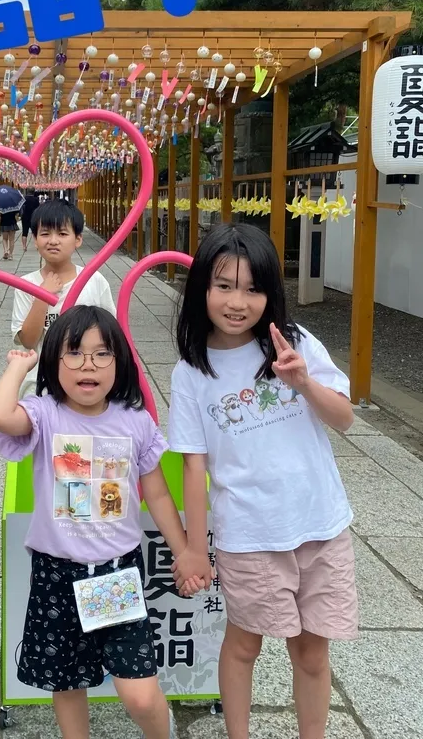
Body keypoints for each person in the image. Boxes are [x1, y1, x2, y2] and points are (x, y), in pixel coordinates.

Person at [167, 223, 357, 739]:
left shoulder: (293, 343)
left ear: (271, 293)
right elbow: (194, 465)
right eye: (224, 285)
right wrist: (192, 548)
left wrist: (303, 382)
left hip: (320, 523)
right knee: (244, 644)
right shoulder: (191, 373)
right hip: (249, 534)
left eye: (254, 288)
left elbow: (344, 419)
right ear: (202, 288)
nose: (238, 301)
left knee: (313, 651)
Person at [0, 306, 201, 739]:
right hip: (56, 575)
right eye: (74, 353)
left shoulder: (134, 421)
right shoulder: (44, 414)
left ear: (120, 363)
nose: (89, 365)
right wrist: (19, 366)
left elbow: (156, 494)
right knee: (67, 681)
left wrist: (186, 551)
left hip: (114, 575)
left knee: (138, 692)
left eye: (103, 354)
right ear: (54, 363)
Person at [11, 199, 115, 398]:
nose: (53, 240)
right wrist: (43, 295)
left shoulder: (94, 281)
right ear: (35, 239)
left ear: (78, 239)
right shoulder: (26, 284)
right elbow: (28, 341)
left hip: (87, 381)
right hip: (41, 383)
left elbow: (110, 335)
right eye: (45, 233)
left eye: (62, 233)